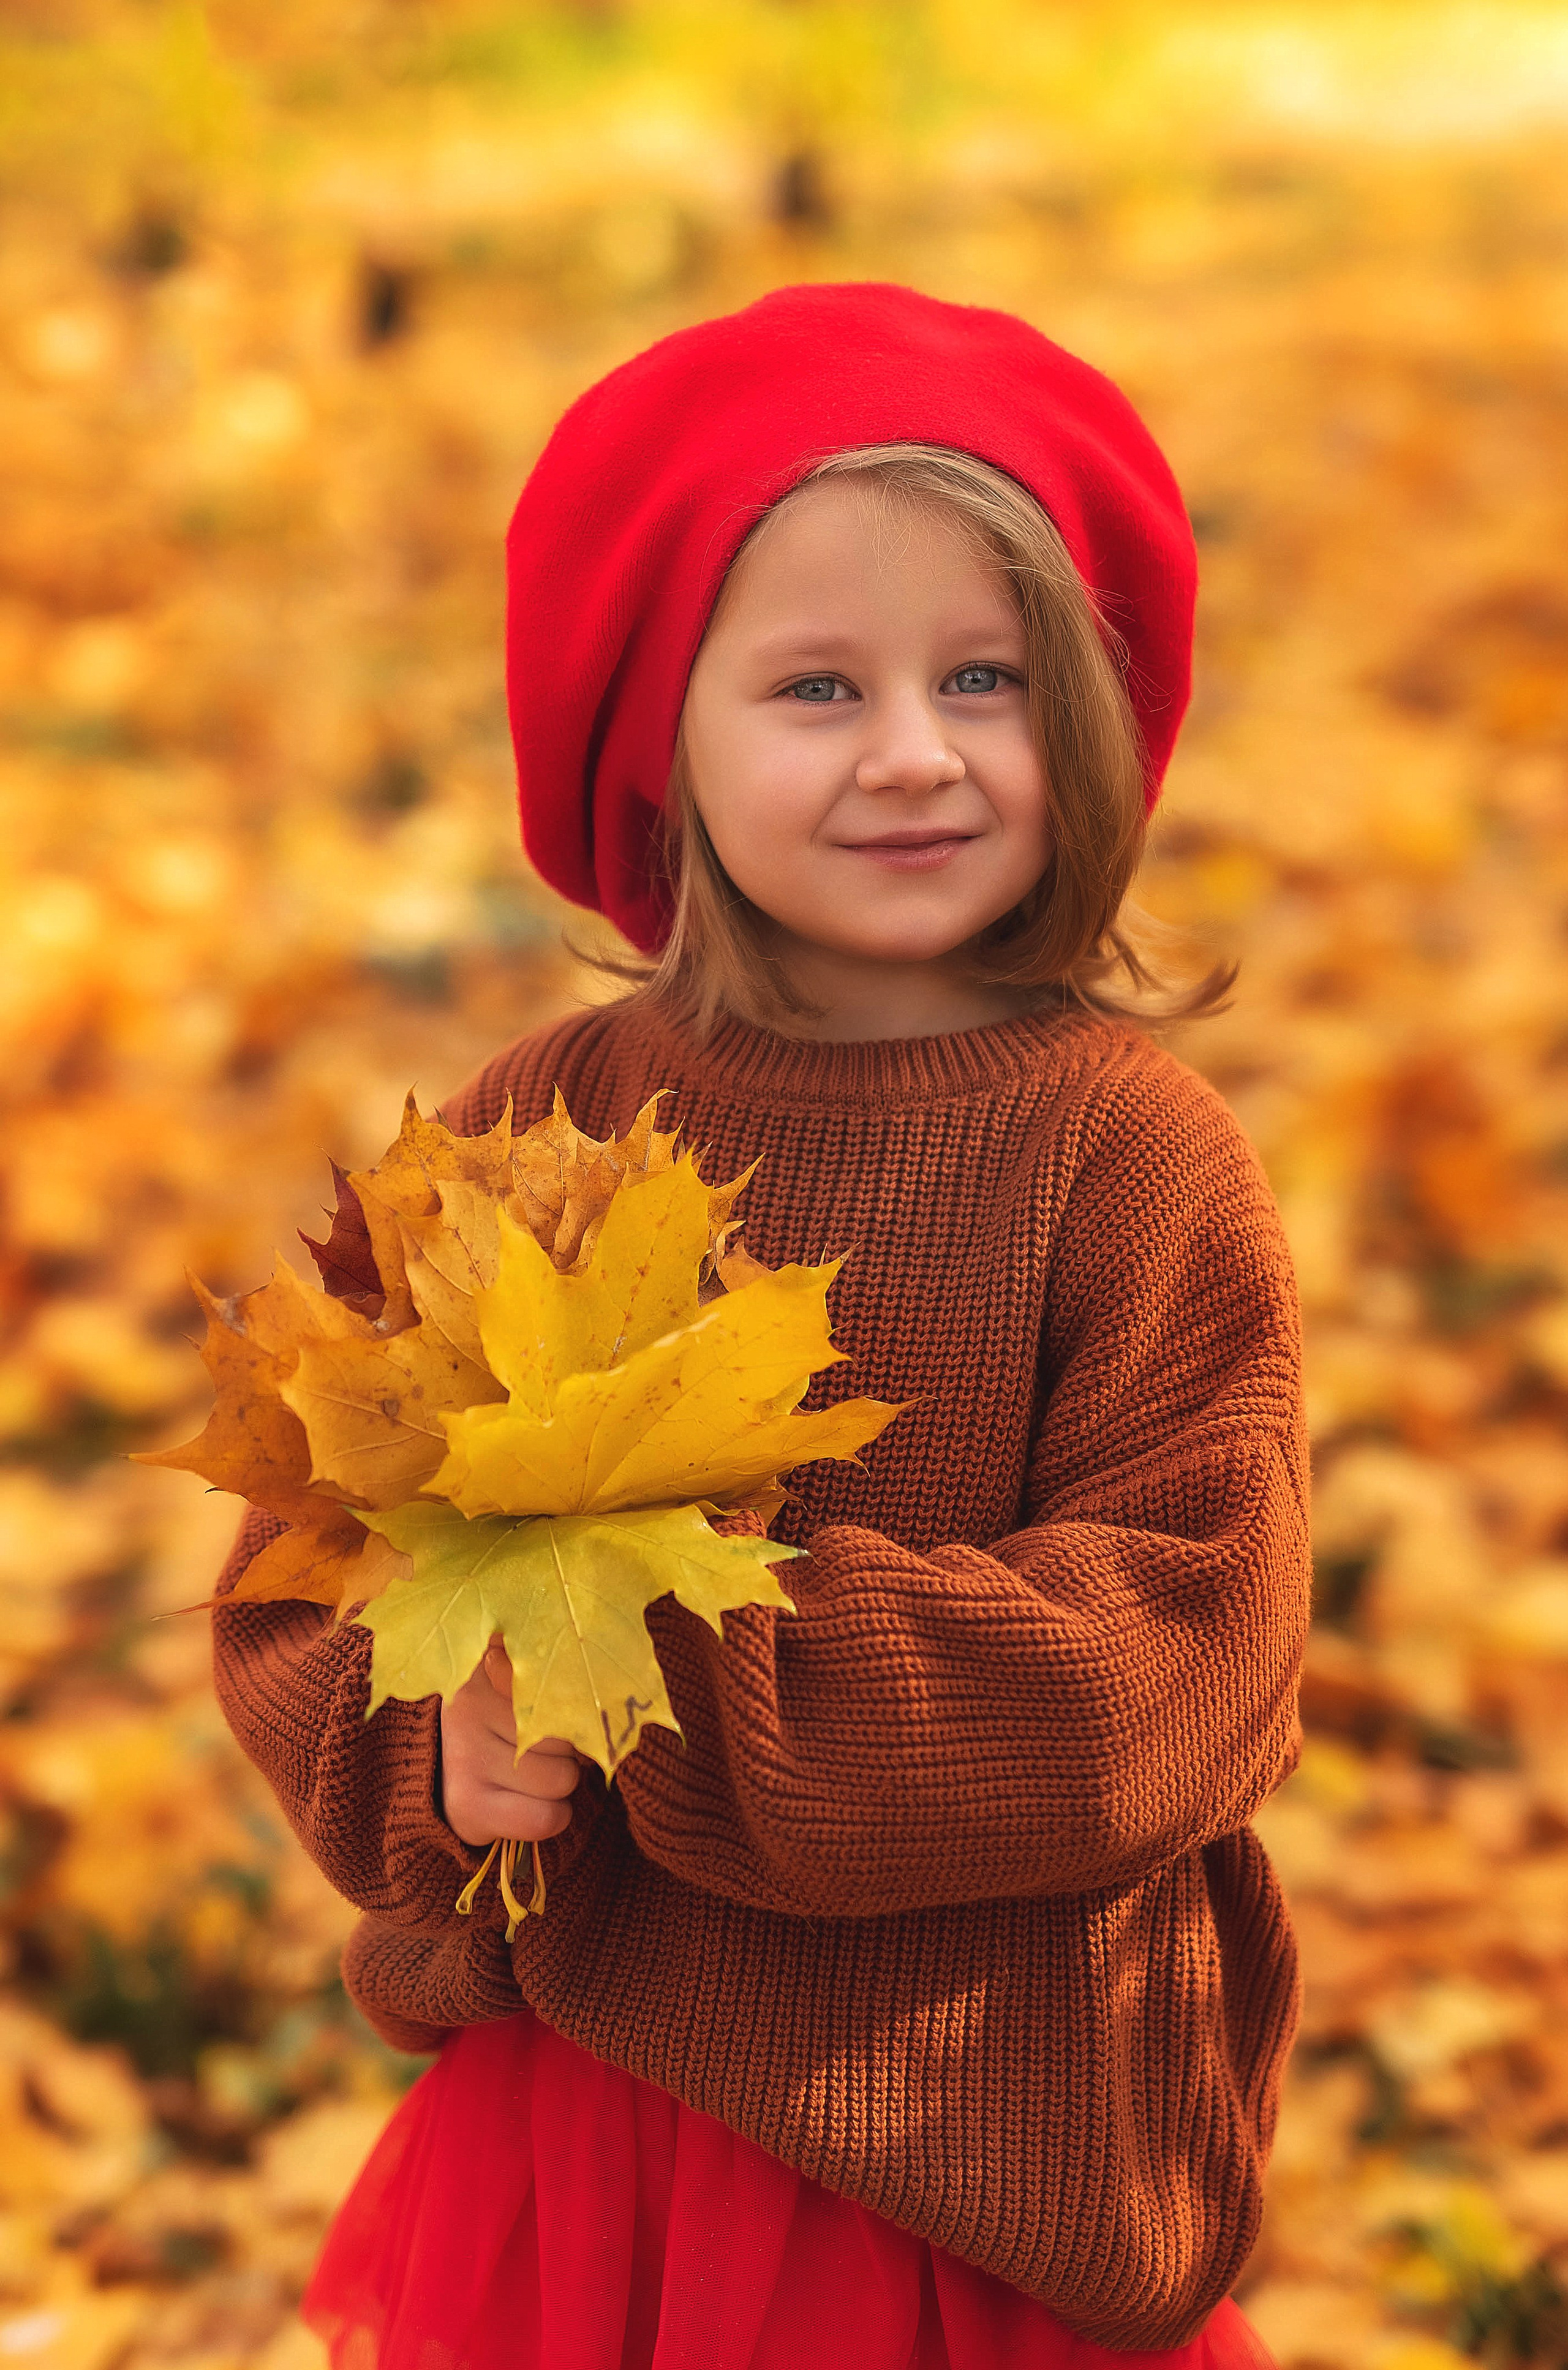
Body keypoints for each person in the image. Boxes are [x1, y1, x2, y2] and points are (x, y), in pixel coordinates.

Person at [213, 282, 1310, 2370]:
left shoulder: (1128, 1155)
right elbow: (312, 1558)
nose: (915, 752)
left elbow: (1177, 1659)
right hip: (586, 2145)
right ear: (664, 739)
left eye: (981, 677)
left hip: (975, 2158)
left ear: (1078, 719)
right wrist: (433, 1746)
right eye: (817, 687)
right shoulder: (549, 1120)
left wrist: (675, 1670)